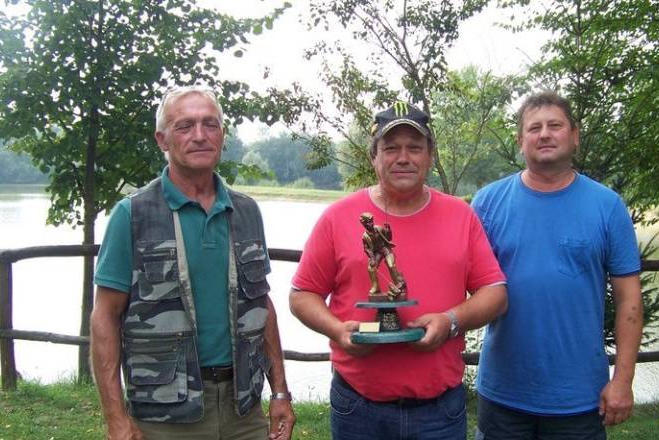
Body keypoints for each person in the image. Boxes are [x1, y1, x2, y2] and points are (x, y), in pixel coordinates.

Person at [289, 102, 508, 439]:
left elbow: (495, 293)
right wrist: (339, 331)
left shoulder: (460, 216)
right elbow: (302, 294)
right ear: (373, 157)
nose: (403, 158)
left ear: (430, 156)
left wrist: (450, 321)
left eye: (414, 148)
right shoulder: (337, 216)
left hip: (439, 411)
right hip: (358, 407)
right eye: (391, 148)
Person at [90, 85, 295, 440]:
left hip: (243, 410)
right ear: (162, 140)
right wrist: (116, 418)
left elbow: (261, 306)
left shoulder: (246, 212)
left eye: (210, 124)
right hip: (164, 414)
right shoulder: (132, 215)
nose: (200, 135)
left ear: (222, 136)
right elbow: (104, 317)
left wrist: (279, 392)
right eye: (184, 126)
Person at [471, 91, 643, 439]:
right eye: (534, 128)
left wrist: (623, 380)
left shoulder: (608, 206)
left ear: (574, 135)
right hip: (502, 394)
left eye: (555, 125)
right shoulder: (487, 203)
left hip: (578, 398)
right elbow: (459, 282)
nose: (545, 134)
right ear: (520, 141)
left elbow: (629, 300)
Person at [360, 212, 406, 299]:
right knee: (371, 268)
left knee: (391, 265)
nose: (371, 224)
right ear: (363, 224)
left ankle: (398, 284)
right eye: (368, 223)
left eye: (371, 221)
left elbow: (389, 238)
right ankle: (375, 287)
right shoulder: (365, 236)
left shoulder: (379, 228)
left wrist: (388, 230)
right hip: (377, 252)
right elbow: (367, 249)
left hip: (385, 249)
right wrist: (372, 258)